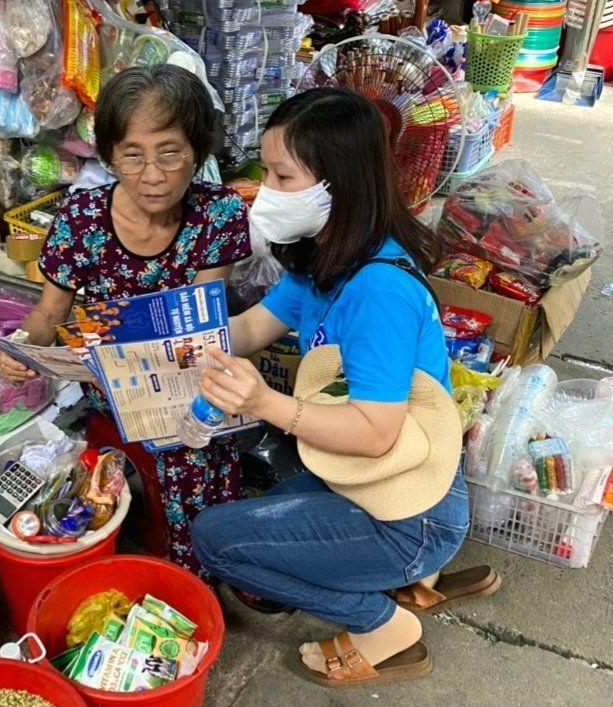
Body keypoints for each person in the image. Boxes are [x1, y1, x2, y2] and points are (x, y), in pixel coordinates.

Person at [191, 88, 501, 687]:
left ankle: (384, 626)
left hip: (412, 507)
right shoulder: (327, 258)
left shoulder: (376, 291)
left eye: (283, 176)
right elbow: (255, 325)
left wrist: (263, 402)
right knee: (270, 482)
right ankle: (411, 577)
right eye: (267, 172)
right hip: (390, 485)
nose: (266, 192)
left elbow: (375, 434)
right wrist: (168, 346)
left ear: (336, 184)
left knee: (217, 541)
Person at [0, 65, 251, 578]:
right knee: (108, 503)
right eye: (132, 155)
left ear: (197, 152)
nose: (153, 175)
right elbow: (49, 313)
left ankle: (191, 579)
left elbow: (196, 327)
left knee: (188, 469)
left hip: (188, 392)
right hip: (111, 392)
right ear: (110, 155)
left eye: (171, 152)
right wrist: (21, 347)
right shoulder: (80, 217)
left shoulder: (218, 214)